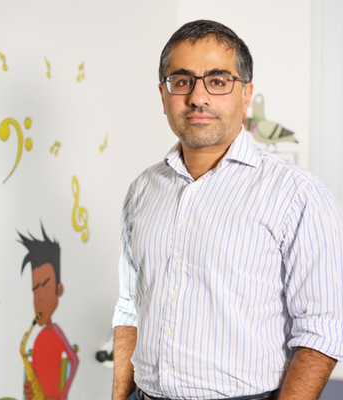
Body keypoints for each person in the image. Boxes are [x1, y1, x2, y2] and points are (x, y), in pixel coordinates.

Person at [112, 20, 343, 400]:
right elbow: (128, 309)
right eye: (182, 81)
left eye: (217, 81)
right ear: (163, 94)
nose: (198, 97)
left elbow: (321, 331)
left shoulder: (297, 195)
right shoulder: (142, 191)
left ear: (246, 93)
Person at [19, 225, 79, 400]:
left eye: (45, 285)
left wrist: (62, 394)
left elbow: (74, 361)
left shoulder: (56, 332)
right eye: (35, 290)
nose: (39, 298)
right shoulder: (37, 339)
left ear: (58, 289)